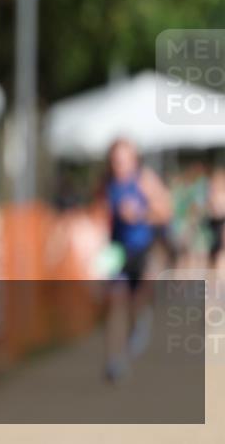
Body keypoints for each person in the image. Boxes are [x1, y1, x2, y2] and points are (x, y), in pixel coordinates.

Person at [100, 137, 171, 383]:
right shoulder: (107, 183)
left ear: (133, 159)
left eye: (124, 159)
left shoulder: (145, 179)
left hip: (142, 250)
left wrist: (139, 213)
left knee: (136, 302)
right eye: (116, 159)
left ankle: (140, 322)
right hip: (116, 251)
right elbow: (99, 212)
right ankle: (114, 360)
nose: (120, 164)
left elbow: (165, 212)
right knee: (115, 302)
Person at [205, 166, 225, 273]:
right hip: (214, 226)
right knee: (213, 252)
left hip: (220, 226)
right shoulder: (212, 195)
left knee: (219, 253)